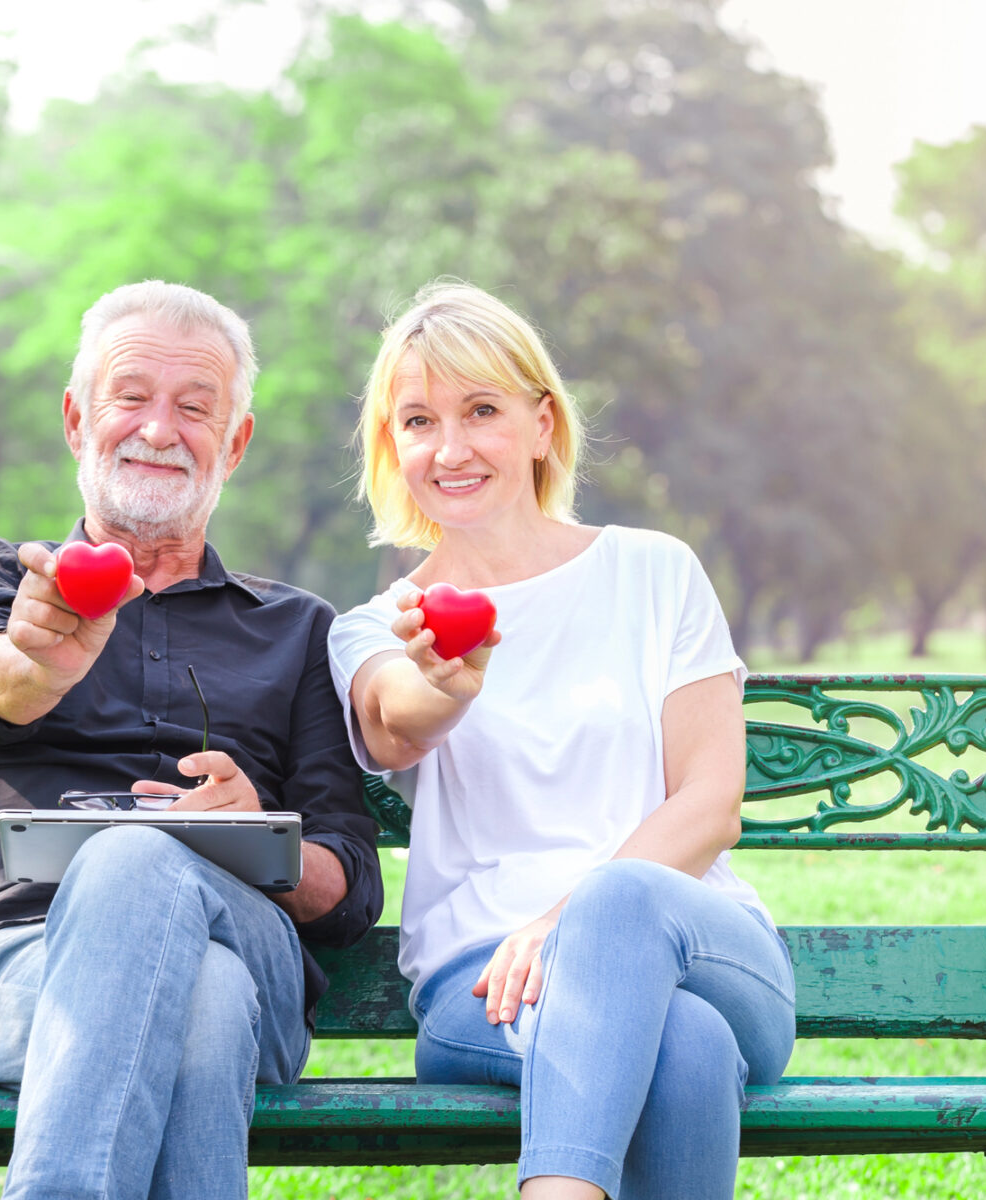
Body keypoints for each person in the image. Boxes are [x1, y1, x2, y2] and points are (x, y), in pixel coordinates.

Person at [0, 280, 384, 1200]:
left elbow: (350, 890)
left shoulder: (299, 629)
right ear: (78, 420)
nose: (159, 430)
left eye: (195, 408)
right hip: (15, 972)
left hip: (255, 963)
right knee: (196, 1004)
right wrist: (38, 662)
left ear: (234, 444)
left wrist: (258, 837)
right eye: (131, 398)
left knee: (138, 868)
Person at [328, 281, 795, 1200]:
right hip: (484, 984)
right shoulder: (380, 627)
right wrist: (445, 687)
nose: (450, 447)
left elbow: (709, 802)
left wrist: (565, 927)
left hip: (702, 942)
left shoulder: (654, 572)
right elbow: (393, 723)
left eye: (483, 411)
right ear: (394, 446)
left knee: (623, 901)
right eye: (418, 420)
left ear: (542, 424)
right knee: (688, 1047)